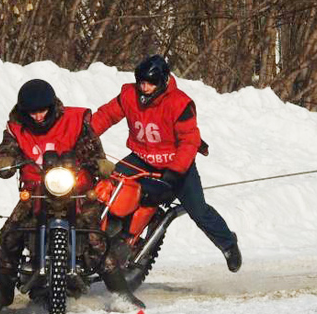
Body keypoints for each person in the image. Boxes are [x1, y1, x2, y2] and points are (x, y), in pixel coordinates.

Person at [0, 79, 144, 314]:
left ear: (52, 106)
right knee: (10, 234)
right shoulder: (16, 128)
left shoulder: (75, 122)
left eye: (42, 110)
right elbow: (7, 150)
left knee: (96, 238)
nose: (37, 116)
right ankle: (2, 292)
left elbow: (92, 148)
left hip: (77, 190)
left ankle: (121, 293)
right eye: (32, 112)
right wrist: (4, 161)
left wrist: (99, 163)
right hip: (36, 192)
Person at [91, 54, 242, 272]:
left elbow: (189, 141)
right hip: (141, 158)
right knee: (108, 188)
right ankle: (111, 238)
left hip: (176, 164)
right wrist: (84, 135)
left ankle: (228, 244)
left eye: (150, 83)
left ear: (162, 82)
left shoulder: (180, 104)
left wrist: (175, 171)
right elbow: (105, 116)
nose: (144, 88)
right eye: (141, 82)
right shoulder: (128, 95)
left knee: (198, 210)